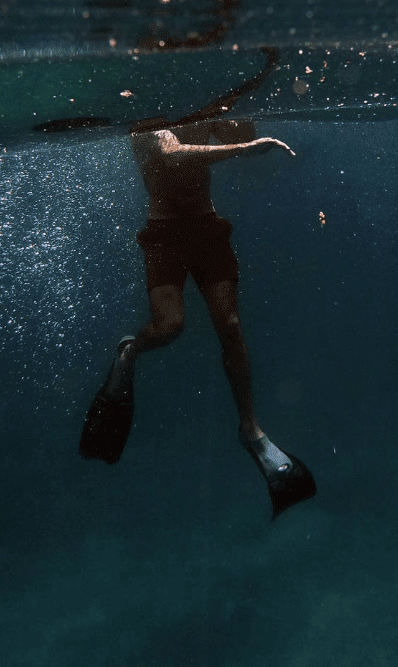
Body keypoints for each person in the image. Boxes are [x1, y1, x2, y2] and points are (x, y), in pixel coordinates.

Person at [79, 114, 317, 518]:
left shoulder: (198, 105)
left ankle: (251, 430)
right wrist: (245, 149)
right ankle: (130, 351)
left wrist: (235, 106)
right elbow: (173, 155)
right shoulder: (146, 115)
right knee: (170, 326)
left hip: (206, 226)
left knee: (231, 326)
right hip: (164, 233)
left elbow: (238, 132)